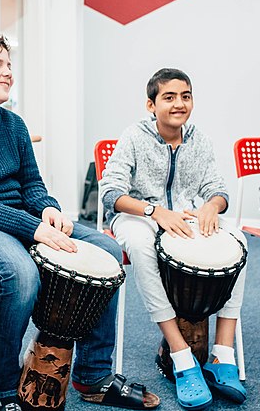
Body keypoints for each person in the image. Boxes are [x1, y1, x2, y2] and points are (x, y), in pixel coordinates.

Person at [0, 34, 159, 411]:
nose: (7, 73)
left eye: (9, 65)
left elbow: (32, 184)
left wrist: (48, 209)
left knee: (108, 251)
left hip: (18, 219)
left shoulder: (14, 125)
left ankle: (93, 373)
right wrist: (33, 228)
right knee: (19, 273)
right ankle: (3, 390)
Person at [100, 68, 247, 410]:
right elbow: (111, 191)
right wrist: (154, 212)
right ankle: (181, 355)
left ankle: (223, 355)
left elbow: (217, 188)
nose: (179, 104)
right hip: (136, 216)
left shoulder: (199, 138)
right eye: (169, 97)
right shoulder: (133, 136)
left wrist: (213, 205)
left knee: (236, 241)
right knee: (139, 246)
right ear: (151, 105)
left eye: (185, 96)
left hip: (186, 215)